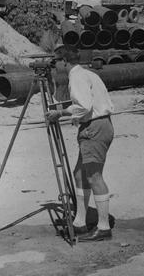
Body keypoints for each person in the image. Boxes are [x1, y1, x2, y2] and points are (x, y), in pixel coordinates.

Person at [45, 44, 115, 241]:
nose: (54, 65)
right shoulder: (87, 74)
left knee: (94, 176)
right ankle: (80, 222)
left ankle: (103, 227)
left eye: (55, 61)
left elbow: (83, 106)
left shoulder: (76, 77)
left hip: (94, 127)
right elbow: (82, 102)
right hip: (98, 125)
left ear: (64, 61)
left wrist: (60, 113)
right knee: (80, 174)